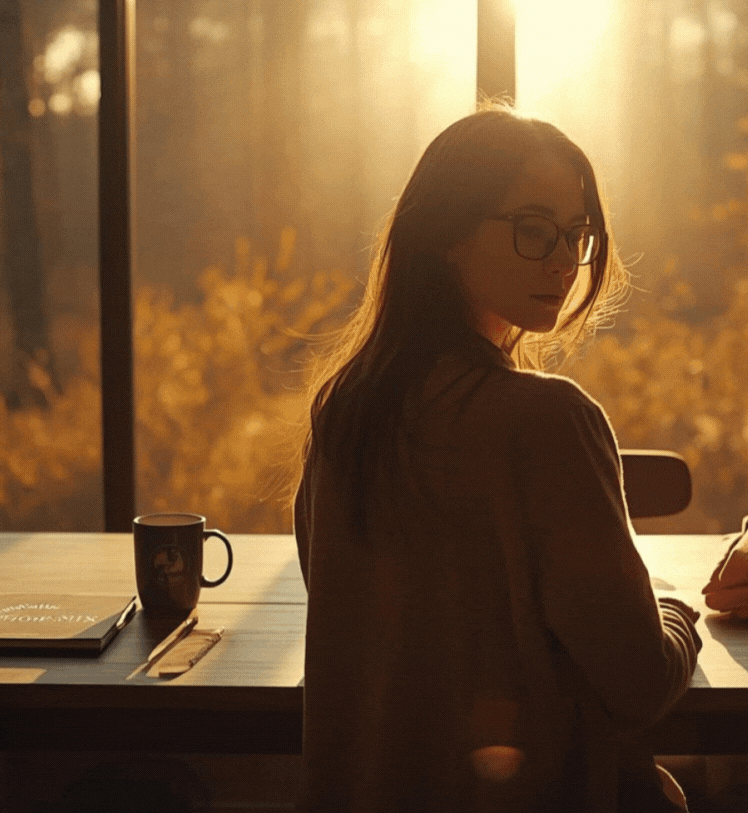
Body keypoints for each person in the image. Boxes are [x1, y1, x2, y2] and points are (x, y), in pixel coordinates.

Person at [294, 105, 702, 813]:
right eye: (532, 229)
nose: (563, 262)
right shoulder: (546, 420)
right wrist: (674, 608)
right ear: (447, 234)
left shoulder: (347, 410)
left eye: (576, 235)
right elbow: (636, 679)